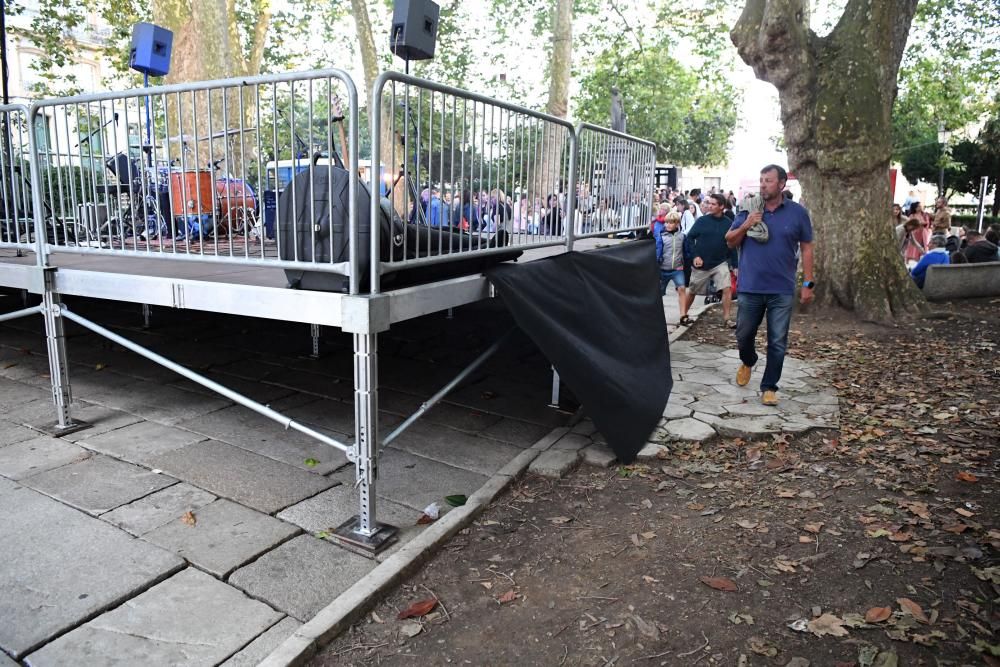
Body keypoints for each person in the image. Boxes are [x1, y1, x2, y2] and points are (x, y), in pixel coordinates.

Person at [725, 164, 814, 407]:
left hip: (781, 289)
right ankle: (748, 359)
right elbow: (730, 242)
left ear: (782, 184)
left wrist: (808, 282)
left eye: (769, 180)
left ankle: (769, 386)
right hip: (750, 287)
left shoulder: (797, 213)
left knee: (777, 340)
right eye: (761, 180)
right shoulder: (749, 208)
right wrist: (746, 224)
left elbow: (807, 247)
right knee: (743, 335)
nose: (763, 184)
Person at [684, 193, 737, 328]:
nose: (709, 206)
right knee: (692, 290)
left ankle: (727, 319)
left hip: (720, 262)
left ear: (721, 206)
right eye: (709, 203)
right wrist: (695, 256)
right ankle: (683, 314)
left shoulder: (729, 224)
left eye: (713, 204)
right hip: (701, 264)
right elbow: (689, 238)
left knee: (727, 288)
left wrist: (735, 265)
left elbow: (733, 245)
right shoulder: (702, 221)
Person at [654, 210, 690, 325]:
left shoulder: (682, 236)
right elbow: (657, 252)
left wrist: (689, 263)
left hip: (677, 269)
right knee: (658, 293)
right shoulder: (661, 236)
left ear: (677, 224)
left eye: (671, 223)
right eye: (667, 222)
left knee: (682, 289)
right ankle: (655, 316)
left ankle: (683, 315)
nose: (668, 225)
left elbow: (686, 252)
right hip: (663, 269)